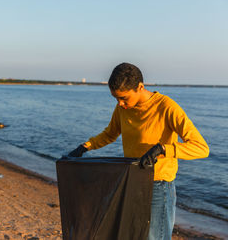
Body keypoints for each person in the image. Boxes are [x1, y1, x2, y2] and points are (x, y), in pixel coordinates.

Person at [68, 62, 209, 240]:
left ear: (140, 87)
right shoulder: (122, 108)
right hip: (132, 180)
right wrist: (85, 147)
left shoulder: (166, 107)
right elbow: (110, 134)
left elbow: (201, 148)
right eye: (116, 99)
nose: (120, 103)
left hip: (158, 185)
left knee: (155, 237)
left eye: (124, 98)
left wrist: (163, 149)